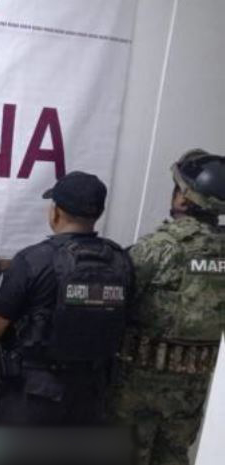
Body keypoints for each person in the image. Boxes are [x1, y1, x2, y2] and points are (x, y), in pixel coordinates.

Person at [0, 171, 133, 426]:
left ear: (56, 212)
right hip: (91, 396)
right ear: (98, 213)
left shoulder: (33, 260)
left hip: (33, 399)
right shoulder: (121, 261)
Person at [107, 149, 225, 465]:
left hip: (138, 382)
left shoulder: (159, 248)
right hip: (193, 385)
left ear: (184, 198)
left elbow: (115, 303)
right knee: (174, 456)